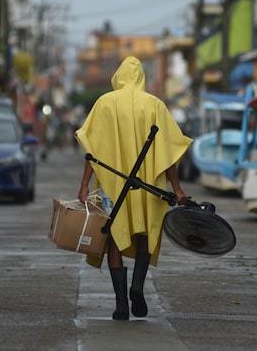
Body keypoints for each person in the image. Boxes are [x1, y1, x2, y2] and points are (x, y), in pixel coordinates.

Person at [75, 56, 192, 321]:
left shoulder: (103, 103)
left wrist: (83, 186)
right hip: (149, 185)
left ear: (118, 76)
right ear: (141, 77)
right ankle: (137, 287)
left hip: (112, 184)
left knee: (114, 238)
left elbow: (92, 150)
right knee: (145, 233)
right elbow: (169, 153)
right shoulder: (155, 105)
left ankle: (120, 306)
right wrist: (177, 188)